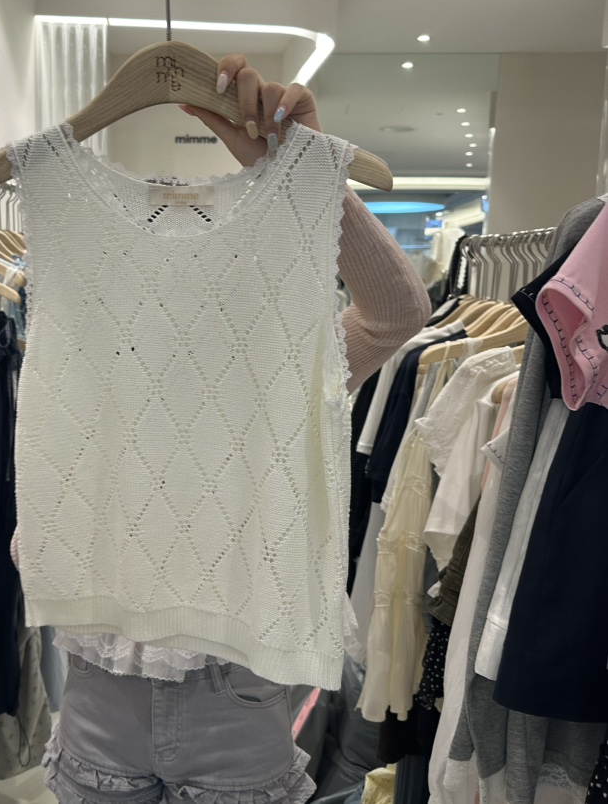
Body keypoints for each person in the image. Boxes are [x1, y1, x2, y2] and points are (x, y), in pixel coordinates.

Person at [28, 54, 431, 804]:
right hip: (98, 693)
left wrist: (306, 176)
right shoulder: (82, 354)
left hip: (235, 693)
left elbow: (398, 313)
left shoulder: (278, 364)